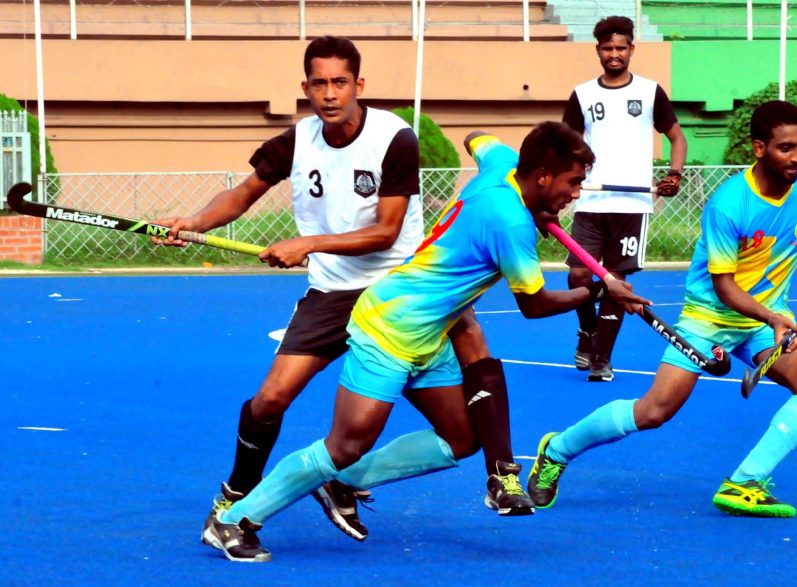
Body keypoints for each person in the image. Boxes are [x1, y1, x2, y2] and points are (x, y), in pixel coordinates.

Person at [201, 121, 652, 562]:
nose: (575, 194)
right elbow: (534, 306)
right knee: (344, 445)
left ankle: (345, 480)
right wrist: (597, 288)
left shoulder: (503, 163)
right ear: (542, 176)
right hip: (390, 328)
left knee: (461, 437)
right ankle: (235, 519)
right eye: (573, 183)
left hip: (431, 334)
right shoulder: (510, 223)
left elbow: (477, 138)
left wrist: (536, 203)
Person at [152, 37, 538, 542]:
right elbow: (244, 193)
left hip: (401, 294)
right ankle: (237, 492)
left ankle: (357, 479)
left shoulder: (395, 138)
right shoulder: (297, 140)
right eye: (319, 83)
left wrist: (308, 242)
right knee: (269, 400)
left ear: (359, 85)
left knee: (459, 419)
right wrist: (193, 222)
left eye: (339, 82)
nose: (329, 93)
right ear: (305, 87)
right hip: (331, 293)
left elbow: (387, 230)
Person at [527, 100, 797, 518]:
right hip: (709, 318)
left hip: (766, 319)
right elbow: (724, 286)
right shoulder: (729, 205)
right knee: (654, 411)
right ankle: (556, 449)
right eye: (785, 149)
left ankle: (745, 482)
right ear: (759, 148)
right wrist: (773, 318)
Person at [563, 15, 688, 382]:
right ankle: (587, 333)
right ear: (598, 50)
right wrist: (568, 182)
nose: (614, 54)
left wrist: (674, 173)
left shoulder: (650, 91)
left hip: (633, 205)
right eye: (607, 48)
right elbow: (567, 146)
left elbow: (677, 137)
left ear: (632, 48)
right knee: (578, 274)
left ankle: (602, 358)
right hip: (591, 202)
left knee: (616, 281)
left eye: (621, 48)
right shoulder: (583, 94)